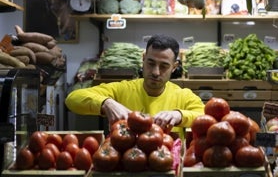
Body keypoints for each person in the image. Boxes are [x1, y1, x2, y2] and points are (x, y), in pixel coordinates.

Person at [65, 34, 205, 137]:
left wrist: (179, 115)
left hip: (166, 164)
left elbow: (205, 116)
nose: (156, 72)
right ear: (143, 59)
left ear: (174, 67)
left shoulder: (183, 96)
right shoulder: (123, 89)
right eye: (150, 63)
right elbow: (72, 99)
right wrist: (106, 103)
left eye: (164, 66)